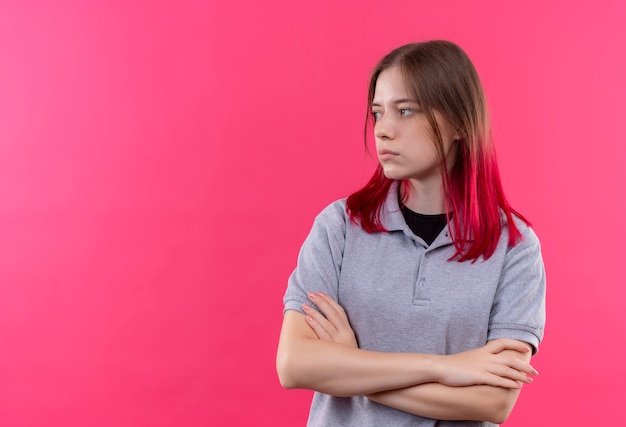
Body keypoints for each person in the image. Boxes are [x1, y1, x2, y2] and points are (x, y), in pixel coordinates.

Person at [276, 40, 546, 426]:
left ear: (458, 123)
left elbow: (492, 403)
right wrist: (448, 368)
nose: (383, 131)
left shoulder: (514, 246)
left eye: (405, 111)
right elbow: (294, 365)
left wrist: (352, 367)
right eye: (377, 113)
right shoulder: (339, 226)